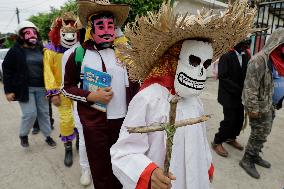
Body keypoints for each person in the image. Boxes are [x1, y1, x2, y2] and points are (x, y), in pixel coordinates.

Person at [110, 1, 255, 189]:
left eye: (206, 64)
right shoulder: (149, 98)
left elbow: (201, 140)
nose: (202, 72)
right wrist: (148, 172)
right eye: (194, 61)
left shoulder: (194, 101)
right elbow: (123, 152)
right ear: (173, 58)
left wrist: (206, 165)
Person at [62, 0, 138, 188]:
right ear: (91, 29)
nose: (106, 30)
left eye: (110, 25)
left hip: (124, 123)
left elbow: (136, 83)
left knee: (124, 167)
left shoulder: (125, 53)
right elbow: (66, 87)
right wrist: (91, 96)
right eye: (100, 26)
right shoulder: (79, 55)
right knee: (101, 171)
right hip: (95, 125)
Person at [2, 21, 56, 148]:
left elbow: (50, 67)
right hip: (25, 88)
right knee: (30, 114)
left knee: (44, 112)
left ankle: (48, 136)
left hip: (42, 88)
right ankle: (23, 134)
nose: (32, 35)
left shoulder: (42, 49)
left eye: (34, 32)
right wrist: (8, 91)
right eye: (27, 33)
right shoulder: (15, 51)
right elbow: (7, 70)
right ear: (21, 36)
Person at [240, 28, 284, 179]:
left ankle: (255, 155)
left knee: (264, 132)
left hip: (269, 103)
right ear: (276, 43)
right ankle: (247, 160)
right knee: (258, 134)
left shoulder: (277, 60)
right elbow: (249, 87)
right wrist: (252, 109)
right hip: (258, 106)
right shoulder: (259, 60)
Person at [44, 12, 80, 167]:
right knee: (66, 119)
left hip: (78, 89)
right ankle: (68, 149)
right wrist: (53, 93)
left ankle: (80, 140)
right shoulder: (51, 50)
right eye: (65, 31)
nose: (70, 36)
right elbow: (48, 72)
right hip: (61, 90)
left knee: (80, 117)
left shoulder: (79, 48)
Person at [61, 28, 91, 186]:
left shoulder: (115, 51)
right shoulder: (74, 54)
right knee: (85, 139)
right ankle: (85, 169)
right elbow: (65, 86)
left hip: (110, 107)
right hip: (82, 106)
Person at [212, 39, 251, 157]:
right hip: (228, 95)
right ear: (237, 43)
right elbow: (223, 77)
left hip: (240, 96)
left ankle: (231, 137)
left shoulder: (246, 57)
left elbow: (247, 74)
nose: (247, 47)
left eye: (248, 45)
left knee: (239, 120)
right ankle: (217, 141)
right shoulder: (226, 56)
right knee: (230, 120)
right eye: (245, 44)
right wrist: (239, 90)